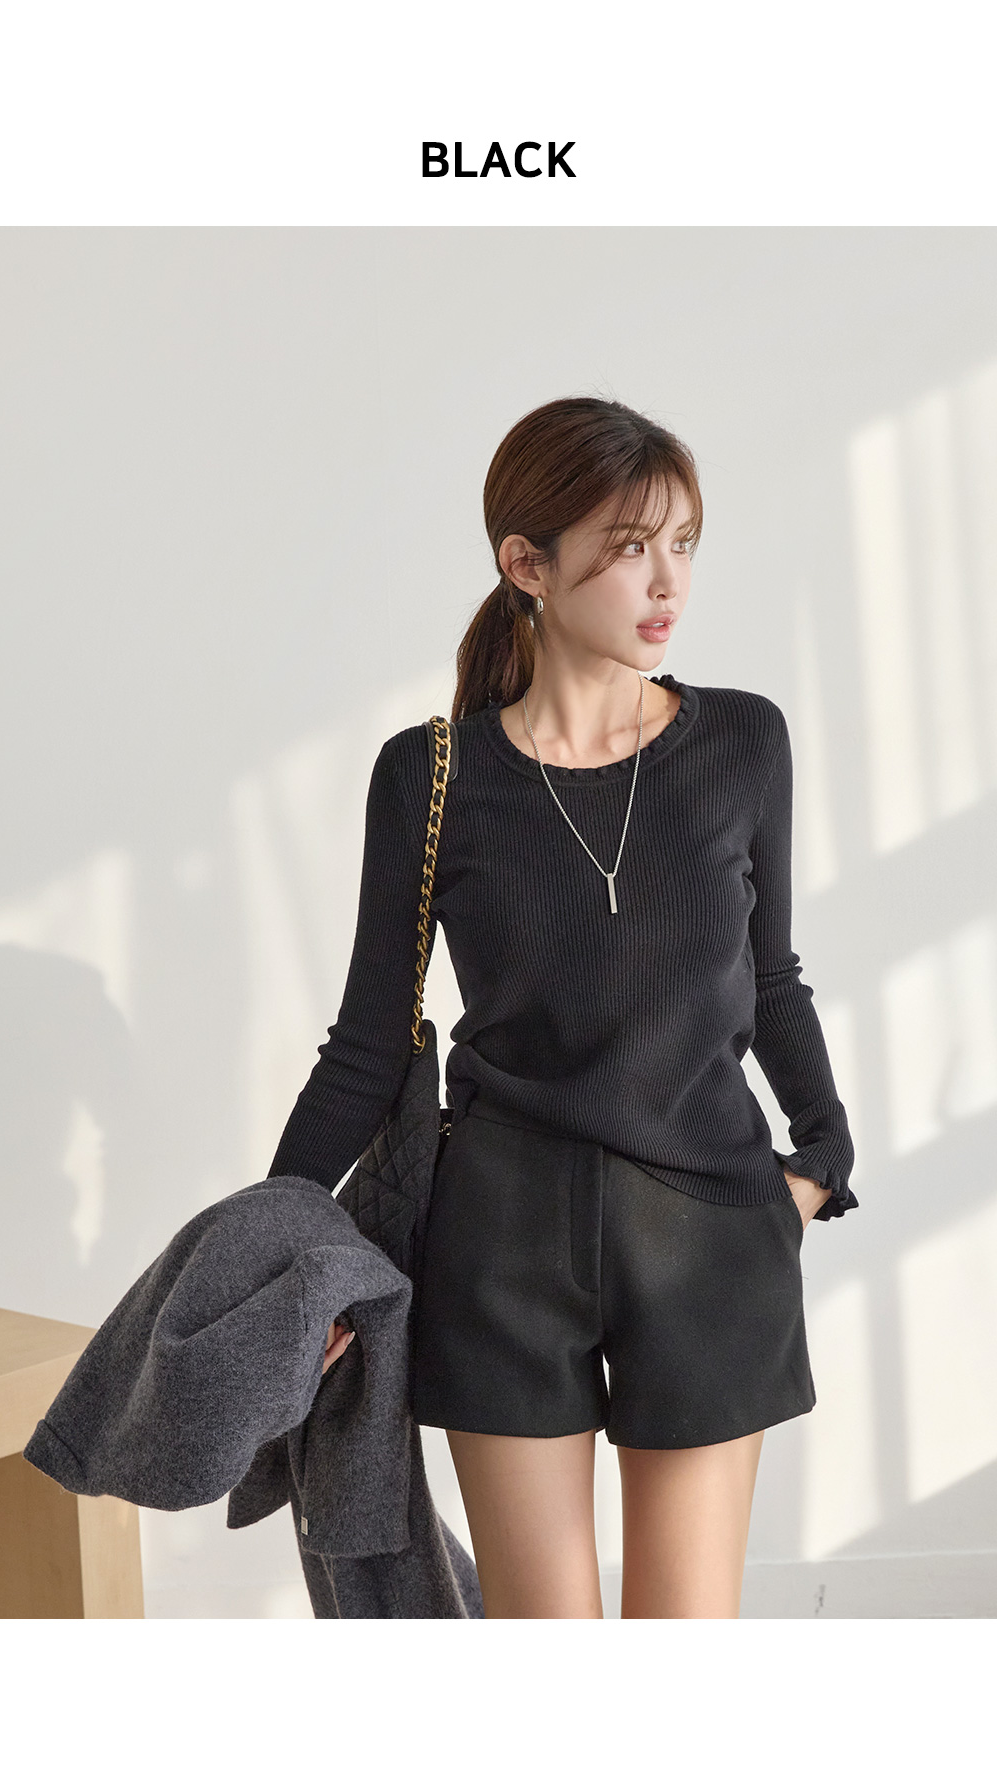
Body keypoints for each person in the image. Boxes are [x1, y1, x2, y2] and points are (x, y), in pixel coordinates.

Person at [269, 395, 858, 1619]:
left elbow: (771, 978)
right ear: (526, 565)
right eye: (630, 547)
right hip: (502, 1248)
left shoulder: (742, 741)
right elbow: (367, 1044)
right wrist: (285, 1257)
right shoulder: (431, 775)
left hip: (707, 1238)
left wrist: (821, 1157)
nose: (667, 582)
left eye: (682, 543)